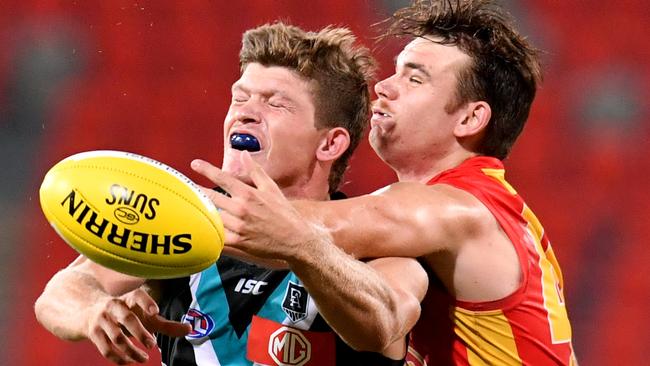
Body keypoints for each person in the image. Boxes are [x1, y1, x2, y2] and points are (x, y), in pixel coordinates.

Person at [191, 1, 578, 365]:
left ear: (470, 119)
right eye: (395, 71)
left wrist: (159, 214)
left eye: (414, 78)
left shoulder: (457, 209)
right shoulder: (484, 207)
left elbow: (292, 230)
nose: (383, 87)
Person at [34, 22, 428, 365]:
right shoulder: (185, 221)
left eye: (276, 103)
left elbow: (383, 324)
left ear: (329, 145)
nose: (245, 112)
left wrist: (303, 247)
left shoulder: (376, 240)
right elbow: (60, 294)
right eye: (240, 97)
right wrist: (94, 311)